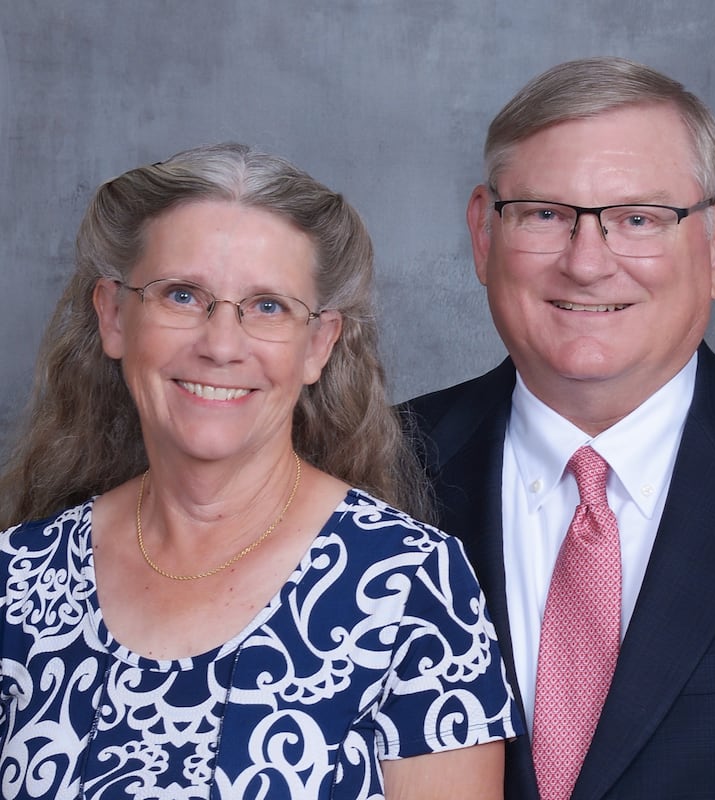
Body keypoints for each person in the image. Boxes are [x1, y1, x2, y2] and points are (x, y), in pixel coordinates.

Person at [0, 143, 523, 799]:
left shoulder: (410, 589)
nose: (221, 344)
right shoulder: (16, 578)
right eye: (183, 295)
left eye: (268, 306)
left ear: (319, 345)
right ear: (113, 316)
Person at [405, 57, 715, 799]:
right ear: (485, 236)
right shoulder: (370, 474)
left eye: (638, 219)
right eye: (546, 214)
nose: (587, 264)